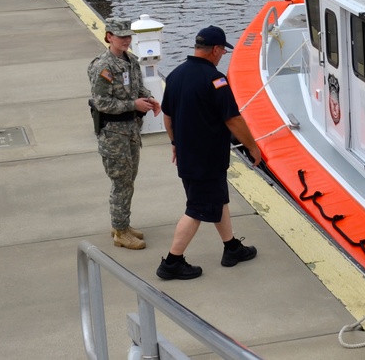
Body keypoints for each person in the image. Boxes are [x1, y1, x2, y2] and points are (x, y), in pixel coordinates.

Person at [156, 26, 262, 280]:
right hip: (207, 158)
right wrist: (253, 147)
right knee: (197, 208)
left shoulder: (175, 75)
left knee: (217, 199)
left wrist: (175, 143)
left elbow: (167, 117)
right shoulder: (216, 80)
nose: (222, 56)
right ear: (215, 50)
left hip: (188, 156)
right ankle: (172, 261)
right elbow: (234, 120)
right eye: (223, 51)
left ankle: (232, 247)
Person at [88, 17, 161, 251]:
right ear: (109, 36)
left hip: (130, 131)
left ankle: (122, 224)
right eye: (121, 37)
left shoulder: (130, 61)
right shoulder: (103, 66)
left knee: (129, 180)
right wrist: (133, 105)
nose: (126, 40)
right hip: (113, 134)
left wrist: (149, 98)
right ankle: (120, 231)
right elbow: (101, 103)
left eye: (128, 36)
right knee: (121, 182)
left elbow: (138, 86)